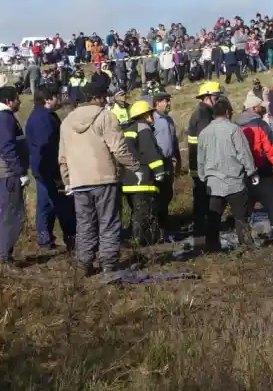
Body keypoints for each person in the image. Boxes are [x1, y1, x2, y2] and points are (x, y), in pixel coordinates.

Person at [59, 77, 143, 275]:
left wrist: (68, 181)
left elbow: (62, 157)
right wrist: (136, 166)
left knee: (85, 224)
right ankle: (109, 265)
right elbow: (119, 150)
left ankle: (84, 265)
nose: (106, 100)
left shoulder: (66, 122)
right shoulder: (106, 117)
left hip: (79, 182)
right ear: (99, 98)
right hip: (105, 179)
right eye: (105, 96)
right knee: (108, 223)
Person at [197, 97, 259, 252]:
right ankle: (246, 247)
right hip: (235, 183)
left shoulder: (204, 133)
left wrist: (203, 176)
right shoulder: (233, 130)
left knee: (213, 219)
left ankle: (212, 248)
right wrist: (252, 172)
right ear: (227, 112)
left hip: (214, 185)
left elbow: (200, 159)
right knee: (240, 218)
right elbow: (244, 153)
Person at [0, 86, 30, 266]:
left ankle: (2, 255)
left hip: (1, 174)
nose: (20, 102)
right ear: (9, 101)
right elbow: (7, 148)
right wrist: (20, 172)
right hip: (8, 175)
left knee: (7, 215)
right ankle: (3, 258)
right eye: (18, 98)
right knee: (12, 216)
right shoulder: (3, 118)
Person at [26, 84, 76, 252]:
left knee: (46, 206)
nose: (60, 99)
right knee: (62, 205)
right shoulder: (43, 119)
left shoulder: (43, 115)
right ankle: (71, 239)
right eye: (57, 96)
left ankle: (46, 240)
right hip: (50, 170)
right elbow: (46, 147)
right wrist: (54, 170)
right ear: (48, 99)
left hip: (44, 170)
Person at [236, 95, 273, 235]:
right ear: (254, 108)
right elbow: (272, 149)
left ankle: (246, 241)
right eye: (261, 106)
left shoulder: (235, 126)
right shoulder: (261, 125)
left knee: (245, 212)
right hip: (264, 174)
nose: (264, 108)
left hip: (243, 176)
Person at [121, 100, 167, 247]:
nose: (153, 117)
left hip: (128, 180)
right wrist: (160, 171)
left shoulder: (129, 129)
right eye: (151, 113)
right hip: (143, 180)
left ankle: (143, 239)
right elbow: (150, 152)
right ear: (146, 115)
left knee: (136, 211)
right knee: (143, 213)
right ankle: (139, 242)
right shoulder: (143, 128)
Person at [187, 81, 223, 238]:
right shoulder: (203, 114)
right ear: (207, 96)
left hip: (199, 163)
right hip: (202, 164)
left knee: (202, 196)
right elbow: (207, 140)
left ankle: (202, 227)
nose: (218, 100)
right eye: (216, 97)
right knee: (203, 197)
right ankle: (203, 230)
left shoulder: (203, 112)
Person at [151, 91, 181, 232]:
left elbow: (174, 141)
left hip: (169, 162)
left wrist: (178, 160)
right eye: (166, 101)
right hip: (157, 164)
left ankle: (165, 224)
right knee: (158, 196)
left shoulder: (169, 120)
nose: (169, 103)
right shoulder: (152, 120)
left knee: (167, 194)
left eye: (169, 100)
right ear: (157, 103)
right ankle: (157, 227)